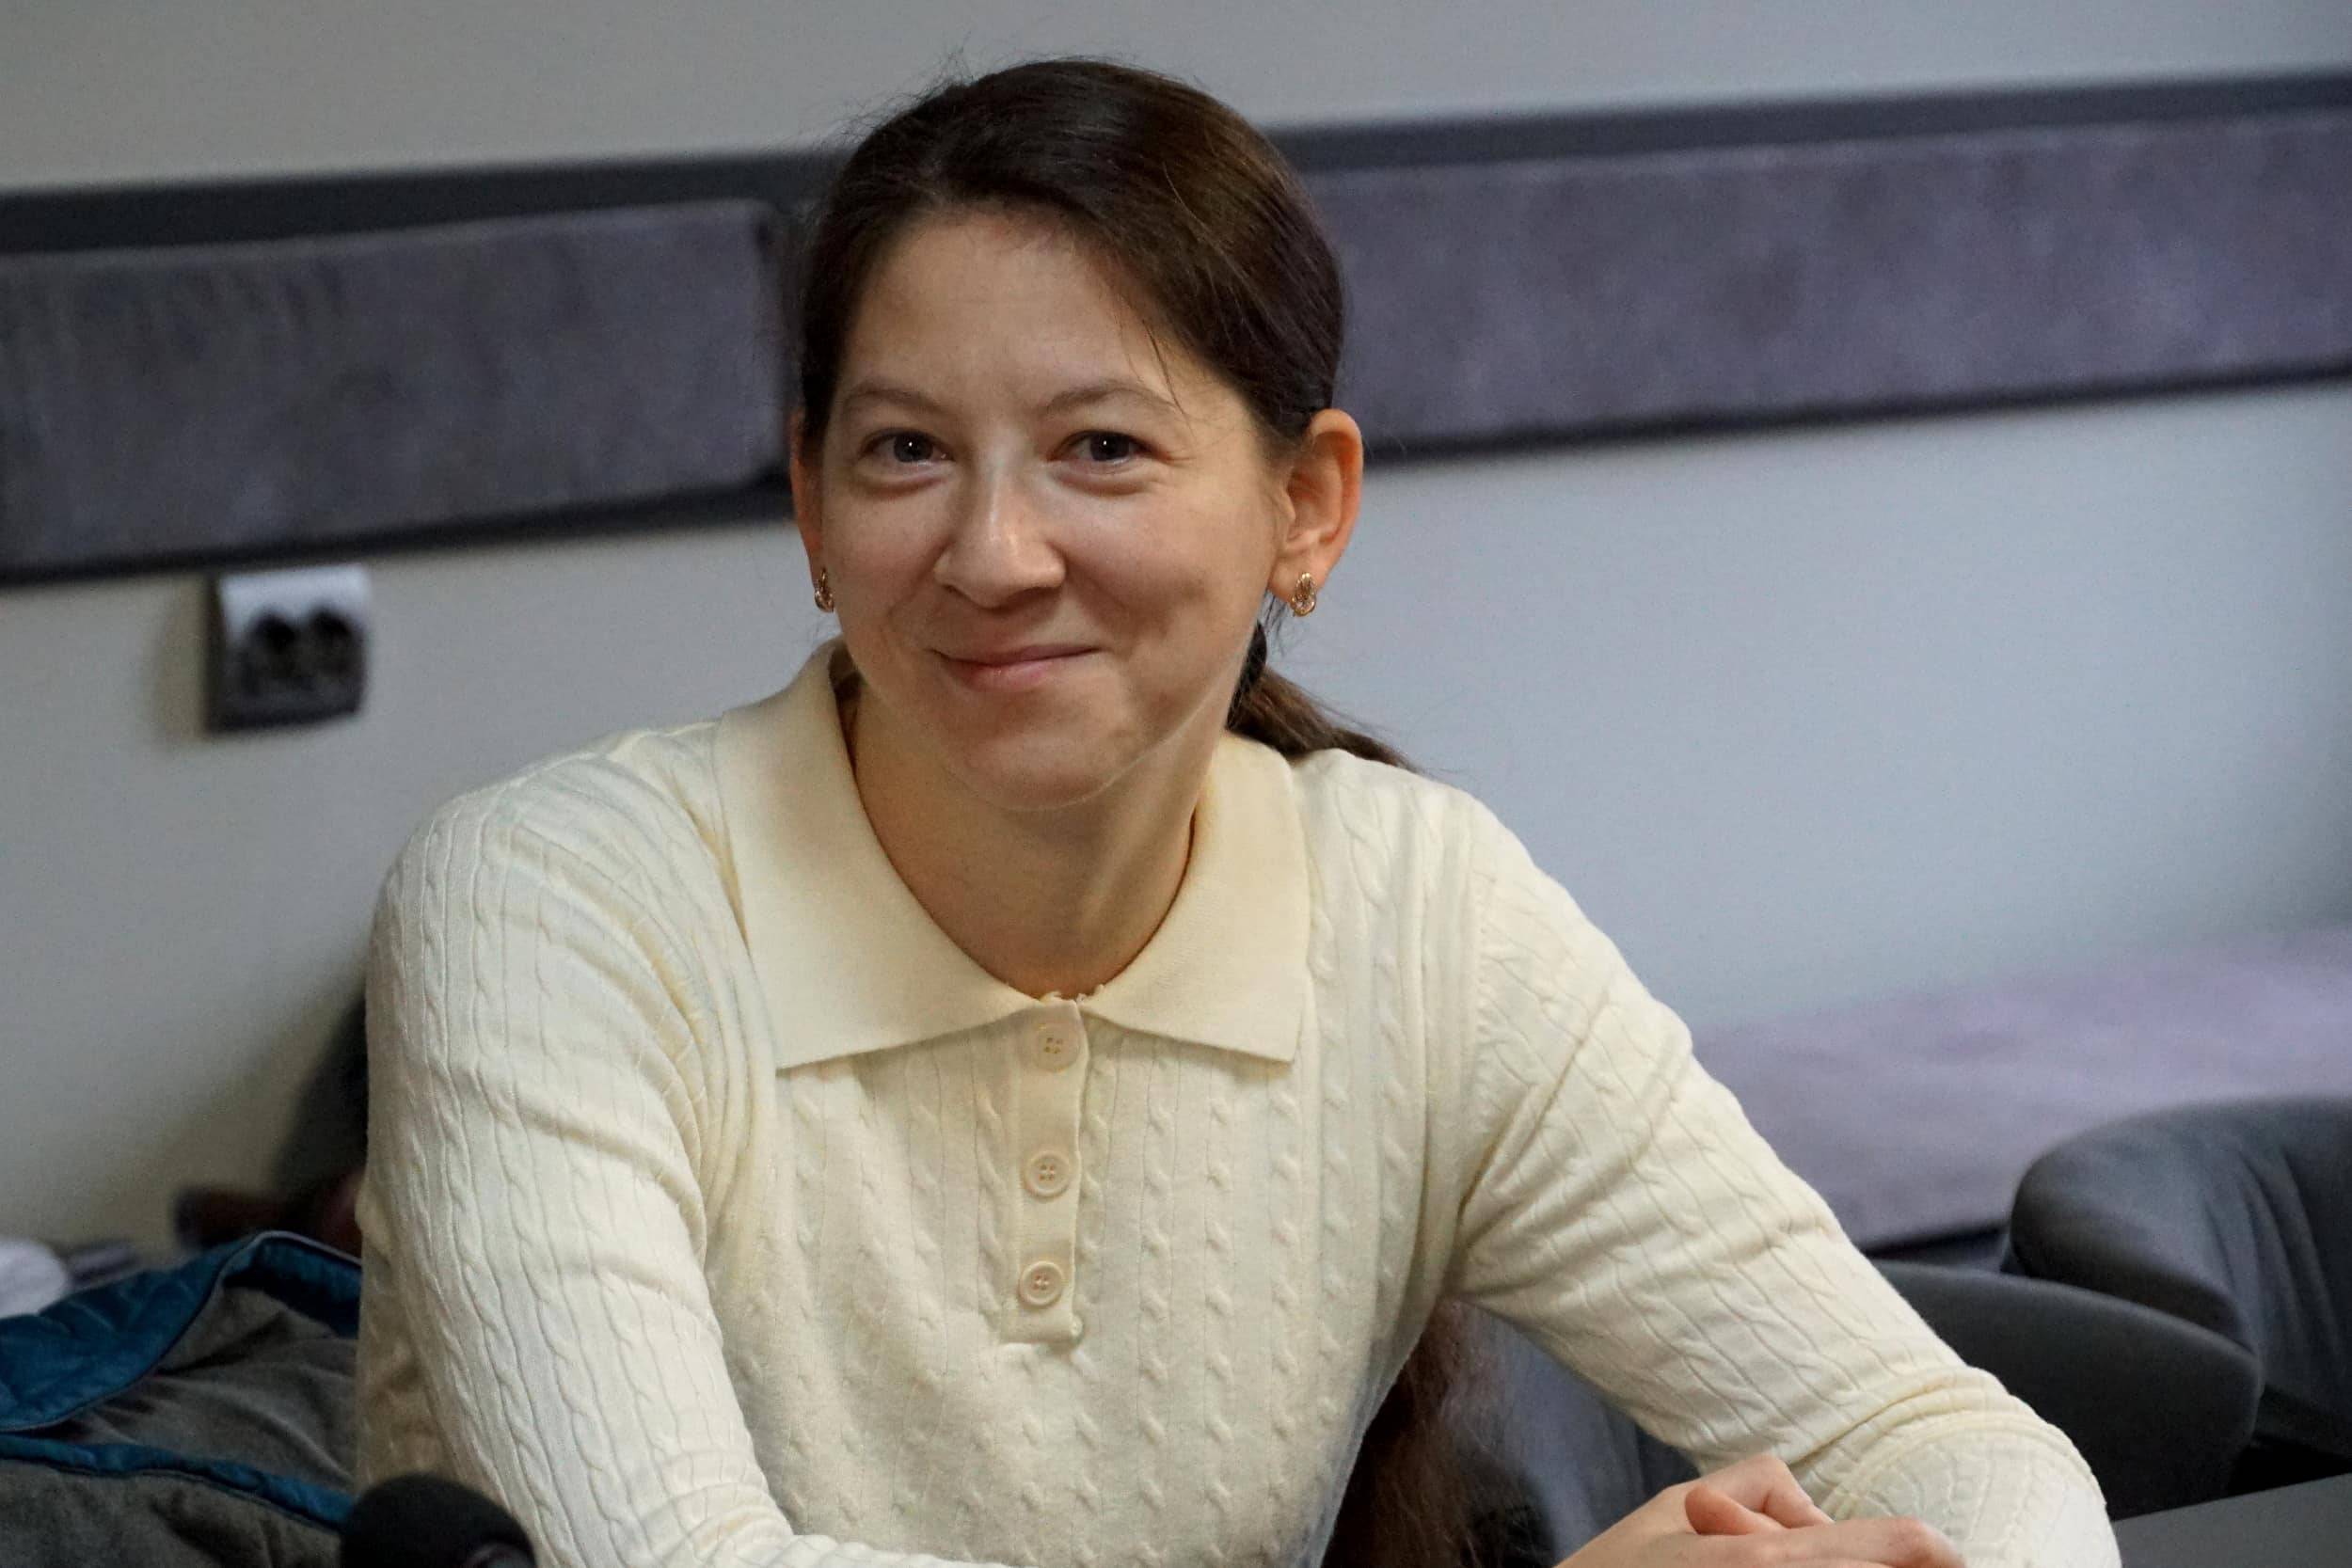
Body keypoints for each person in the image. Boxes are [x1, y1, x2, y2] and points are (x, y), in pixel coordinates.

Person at [355, 56, 2122, 1568]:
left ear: (1307, 508)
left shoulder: (1417, 912)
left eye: (1101, 448)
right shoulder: (550, 901)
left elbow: (1941, 1438)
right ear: (813, 510)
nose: (993, 552)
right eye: (904, 452)